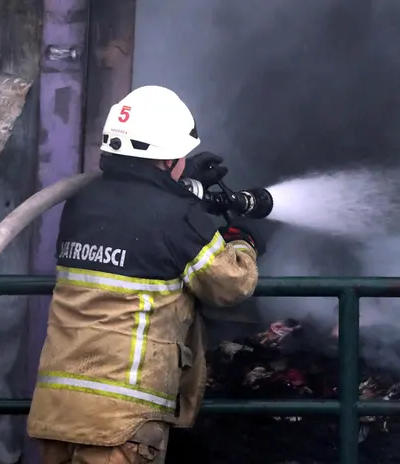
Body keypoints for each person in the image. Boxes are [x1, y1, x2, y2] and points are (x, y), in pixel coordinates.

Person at [26, 85, 264, 463]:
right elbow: (232, 284)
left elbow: (135, 215)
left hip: (57, 411)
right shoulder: (176, 219)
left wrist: (182, 190)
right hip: (120, 419)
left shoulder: (81, 205)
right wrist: (241, 243)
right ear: (167, 160)